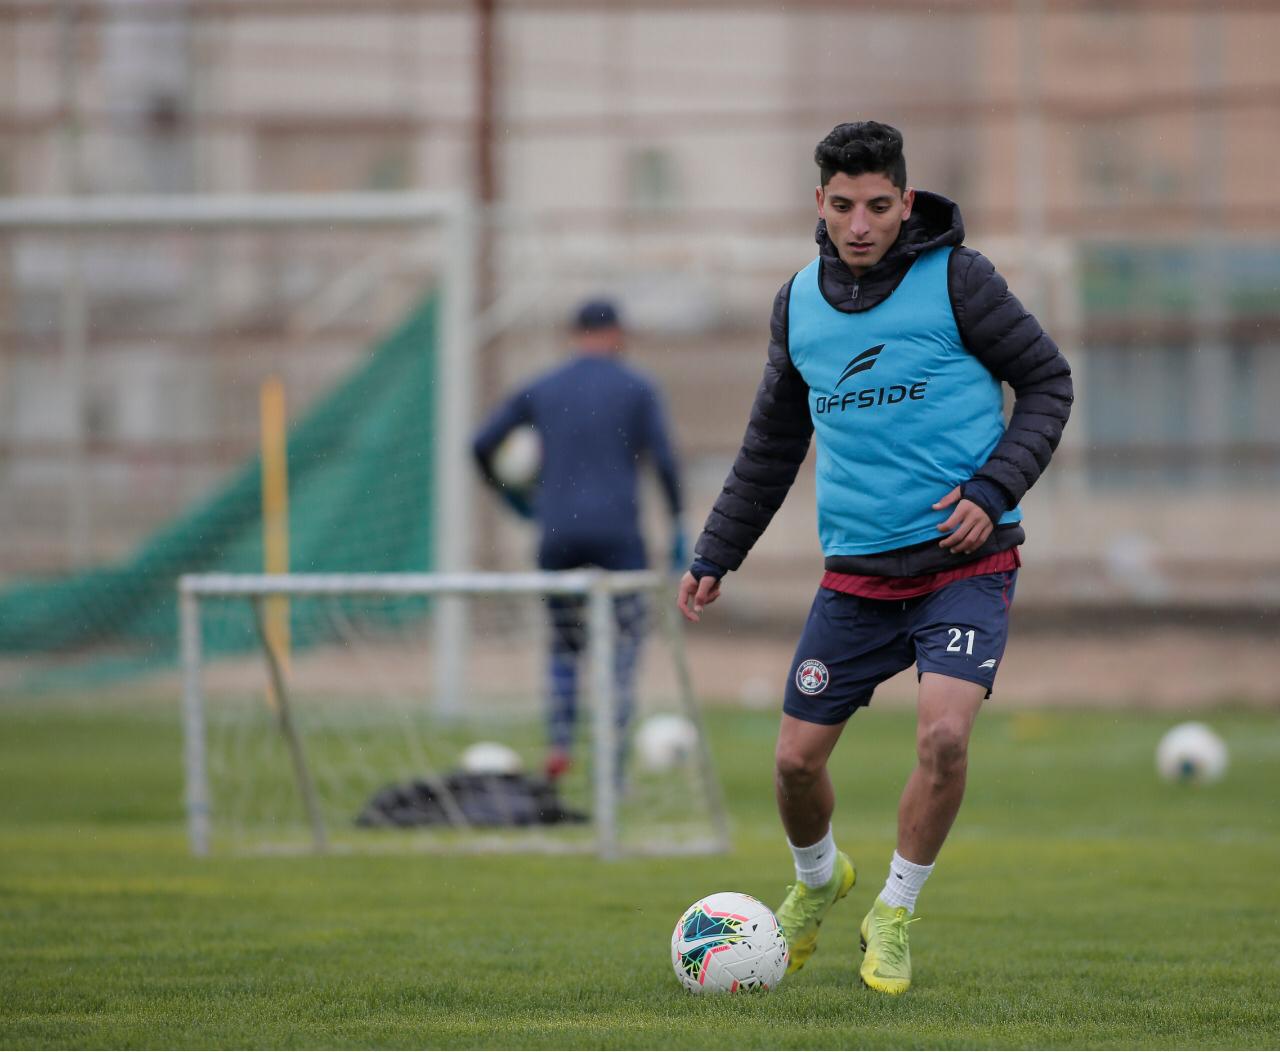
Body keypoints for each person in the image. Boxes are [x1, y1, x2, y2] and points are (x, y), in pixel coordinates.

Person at [676, 121, 1073, 994]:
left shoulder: (960, 281)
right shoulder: (798, 303)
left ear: (905, 200)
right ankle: (821, 881)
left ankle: (892, 911)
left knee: (943, 740)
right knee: (791, 765)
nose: (862, 224)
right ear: (819, 203)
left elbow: (1049, 383)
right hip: (856, 578)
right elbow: (772, 444)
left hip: (964, 566)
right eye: (844, 205)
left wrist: (990, 490)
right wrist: (718, 549)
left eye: (880, 206)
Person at [474, 298, 685, 782]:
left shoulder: (544, 388)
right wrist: (676, 524)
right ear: (617, 334)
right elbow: (666, 462)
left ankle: (561, 745)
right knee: (623, 646)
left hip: (559, 534)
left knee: (566, 646)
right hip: (618, 537)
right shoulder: (635, 388)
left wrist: (513, 497)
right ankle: (610, 764)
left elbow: (480, 444)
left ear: (575, 333)